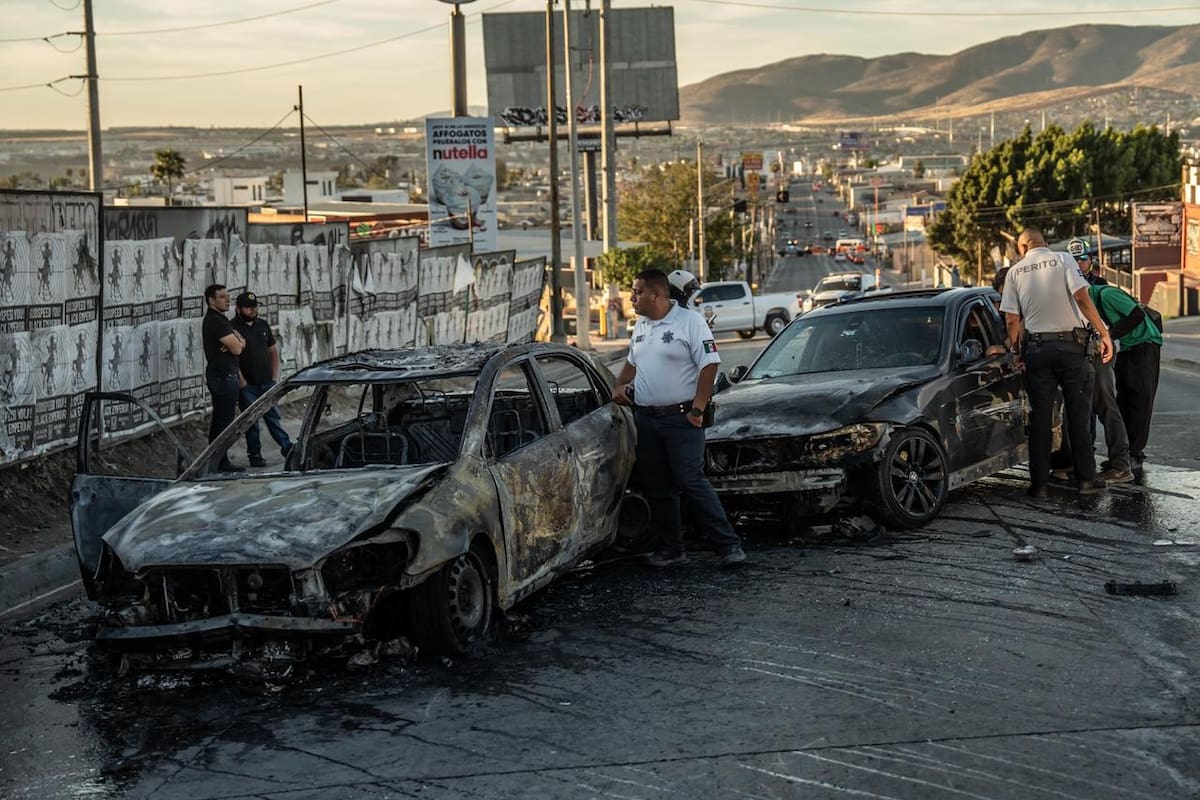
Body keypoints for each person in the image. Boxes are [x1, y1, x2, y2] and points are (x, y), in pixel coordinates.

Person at [614, 269, 746, 569]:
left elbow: (709, 364)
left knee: (691, 481)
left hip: (682, 420)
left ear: (657, 294)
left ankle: (728, 545)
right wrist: (619, 385)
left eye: (637, 292)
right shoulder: (641, 325)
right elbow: (632, 362)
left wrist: (698, 409)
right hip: (646, 420)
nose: (632, 298)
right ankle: (672, 549)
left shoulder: (690, 322)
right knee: (658, 486)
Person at [1001, 228, 1113, 497]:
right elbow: (1082, 298)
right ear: (1046, 243)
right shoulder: (1063, 259)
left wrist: (1017, 351)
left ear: (1023, 248)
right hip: (1071, 348)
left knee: (1040, 418)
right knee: (1078, 415)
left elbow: (1012, 320)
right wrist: (1104, 333)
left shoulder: (1014, 272)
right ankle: (1086, 479)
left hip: (1037, 350)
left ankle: (1039, 485)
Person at [1088, 283, 1162, 476]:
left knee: (1139, 401)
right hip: (1128, 347)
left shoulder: (1107, 294)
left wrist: (1109, 335)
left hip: (1144, 345)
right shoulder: (1095, 301)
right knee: (1124, 401)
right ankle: (1124, 453)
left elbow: (1137, 315)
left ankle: (1135, 454)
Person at [232, 291, 293, 468]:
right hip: (248, 386)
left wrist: (274, 376)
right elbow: (231, 358)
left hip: (266, 383)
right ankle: (255, 455)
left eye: (254, 307)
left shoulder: (262, 325)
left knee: (273, 418)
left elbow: (272, 350)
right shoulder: (232, 328)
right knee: (251, 423)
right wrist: (242, 382)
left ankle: (287, 448)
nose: (252, 310)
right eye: (248, 307)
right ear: (238, 309)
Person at [202, 284, 245, 472]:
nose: (228, 300)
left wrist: (238, 342)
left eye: (228, 296)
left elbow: (238, 344)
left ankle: (218, 460)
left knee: (222, 420)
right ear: (211, 300)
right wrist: (238, 342)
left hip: (225, 375)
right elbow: (237, 348)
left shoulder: (220, 320)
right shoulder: (216, 321)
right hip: (223, 377)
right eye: (222, 297)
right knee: (223, 422)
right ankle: (218, 462)